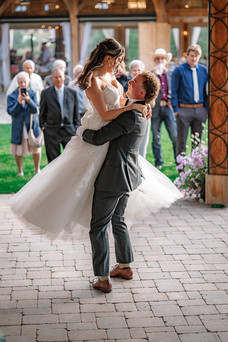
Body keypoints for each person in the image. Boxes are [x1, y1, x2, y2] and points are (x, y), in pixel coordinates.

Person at [9, 38, 182, 259]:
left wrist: (140, 104)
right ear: (108, 58)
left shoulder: (112, 75)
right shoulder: (92, 80)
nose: (120, 64)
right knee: (78, 184)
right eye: (118, 59)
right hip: (99, 129)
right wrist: (134, 106)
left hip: (113, 135)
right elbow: (105, 114)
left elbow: (121, 101)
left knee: (112, 200)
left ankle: (117, 265)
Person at [76, 70, 160, 293]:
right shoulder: (140, 110)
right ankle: (124, 266)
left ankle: (103, 279)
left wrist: (81, 132)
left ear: (142, 92)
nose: (129, 81)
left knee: (98, 226)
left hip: (114, 177)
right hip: (129, 175)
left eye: (135, 81)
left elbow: (100, 137)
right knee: (118, 219)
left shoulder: (131, 115)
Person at [171, 44, 208, 156]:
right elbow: (174, 91)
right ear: (187, 55)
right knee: (181, 141)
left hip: (200, 110)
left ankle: (194, 169)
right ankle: (181, 171)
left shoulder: (204, 70)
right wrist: (176, 110)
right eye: (192, 55)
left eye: (196, 56)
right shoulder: (178, 70)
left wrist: (205, 109)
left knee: (196, 142)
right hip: (183, 110)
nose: (194, 58)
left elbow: (206, 90)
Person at [39, 68, 81, 163]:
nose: (58, 79)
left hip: (69, 131)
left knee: (71, 160)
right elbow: (42, 112)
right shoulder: (45, 93)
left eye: (60, 77)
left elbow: (76, 114)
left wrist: (76, 128)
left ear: (64, 78)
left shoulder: (72, 93)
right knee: (53, 162)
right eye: (56, 77)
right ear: (52, 79)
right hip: (51, 132)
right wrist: (43, 127)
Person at [7, 71, 41, 176]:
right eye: (20, 82)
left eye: (24, 82)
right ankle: (20, 171)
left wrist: (28, 101)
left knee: (36, 148)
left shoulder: (33, 94)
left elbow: (36, 110)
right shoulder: (11, 95)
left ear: (28, 82)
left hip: (31, 125)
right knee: (18, 149)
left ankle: (37, 169)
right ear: (17, 82)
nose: (22, 84)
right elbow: (10, 112)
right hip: (18, 127)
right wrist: (18, 102)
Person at [151, 48, 177, 169]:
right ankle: (158, 162)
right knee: (156, 138)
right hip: (156, 109)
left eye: (162, 58)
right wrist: (156, 74)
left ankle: (179, 162)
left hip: (168, 108)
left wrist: (172, 102)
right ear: (155, 60)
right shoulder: (151, 74)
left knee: (174, 136)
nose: (160, 60)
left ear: (166, 60)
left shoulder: (172, 73)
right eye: (158, 58)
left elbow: (176, 89)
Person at [129, 59, 150, 158]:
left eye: (139, 70)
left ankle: (141, 170)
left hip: (144, 116)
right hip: (129, 117)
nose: (137, 72)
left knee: (142, 145)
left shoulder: (147, 85)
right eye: (134, 70)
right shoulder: (127, 84)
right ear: (130, 72)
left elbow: (152, 101)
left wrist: (148, 103)